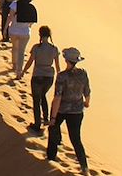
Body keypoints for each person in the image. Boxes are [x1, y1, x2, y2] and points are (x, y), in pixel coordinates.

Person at [47, 47, 91, 175]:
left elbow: (57, 97)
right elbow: (87, 91)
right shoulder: (83, 73)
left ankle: (51, 157)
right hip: (77, 111)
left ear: (66, 60)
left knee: (53, 129)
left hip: (62, 110)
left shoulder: (62, 76)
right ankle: (84, 167)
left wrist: (53, 118)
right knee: (76, 139)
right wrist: (87, 103)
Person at [19, 25, 60, 134]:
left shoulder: (36, 48)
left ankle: (37, 124)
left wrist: (23, 71)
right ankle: (46, 119)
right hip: (49, 78)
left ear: (40, 35)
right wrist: (60, 77)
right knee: (43, 95)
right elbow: (57, 66)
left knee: (36, 100)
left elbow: (30, 61)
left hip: (37, 76)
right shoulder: (54, 49)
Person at [6, 0, 37, 76]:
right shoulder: (31, 7)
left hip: (13, 31)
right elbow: (32, 22)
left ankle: (14, 65)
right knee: (21, 51)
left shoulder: (15, 4)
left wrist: (5, 28)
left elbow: (10, 17)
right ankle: (19, 71)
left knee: (15, 48)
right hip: (25, 33)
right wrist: (27, 27)